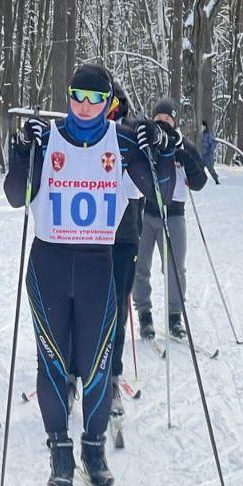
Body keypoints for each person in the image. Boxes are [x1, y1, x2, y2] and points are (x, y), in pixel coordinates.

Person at [4, 64, 164, 486]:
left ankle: (93, 449)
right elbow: (15, 194)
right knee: (53, 362)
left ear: (109, 102)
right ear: (68, 96)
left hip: (97, 265)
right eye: (78, 96)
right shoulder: (49, 139)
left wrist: (160, 147)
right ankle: (59, 451)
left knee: (95, 365)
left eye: (97, 98)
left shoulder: (121, 141)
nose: (86, 106)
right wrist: (22, 151)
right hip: (49, 265)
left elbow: (157, 189)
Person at [134, 98, 208, 340]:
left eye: (168, 119)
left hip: (174, 214)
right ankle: (144, 314)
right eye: (159, 119)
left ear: (175, 122)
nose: (163, 123)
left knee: (175, 268)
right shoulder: (147, 143)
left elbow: (200, 182)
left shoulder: (184, 145)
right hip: (148, 214)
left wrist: (187, 160)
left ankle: (175, 316)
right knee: (140, 266)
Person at [105, 82, 143, 425]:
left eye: (108, 100)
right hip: (86, 237)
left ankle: (112, 374)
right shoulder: (80, 134)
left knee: (117, 309)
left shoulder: (130, 135)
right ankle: (75, 372)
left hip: (124, 237)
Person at [201, 120, 221, 184]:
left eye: (203, 126)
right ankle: (200, 181)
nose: (202, 127)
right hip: (201, 155)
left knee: (210, 168)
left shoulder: (209, 134)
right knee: (199, 168)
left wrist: (210, 151)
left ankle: (216, 180)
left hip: (208, 155)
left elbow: (213, 143)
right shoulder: (200, 134)